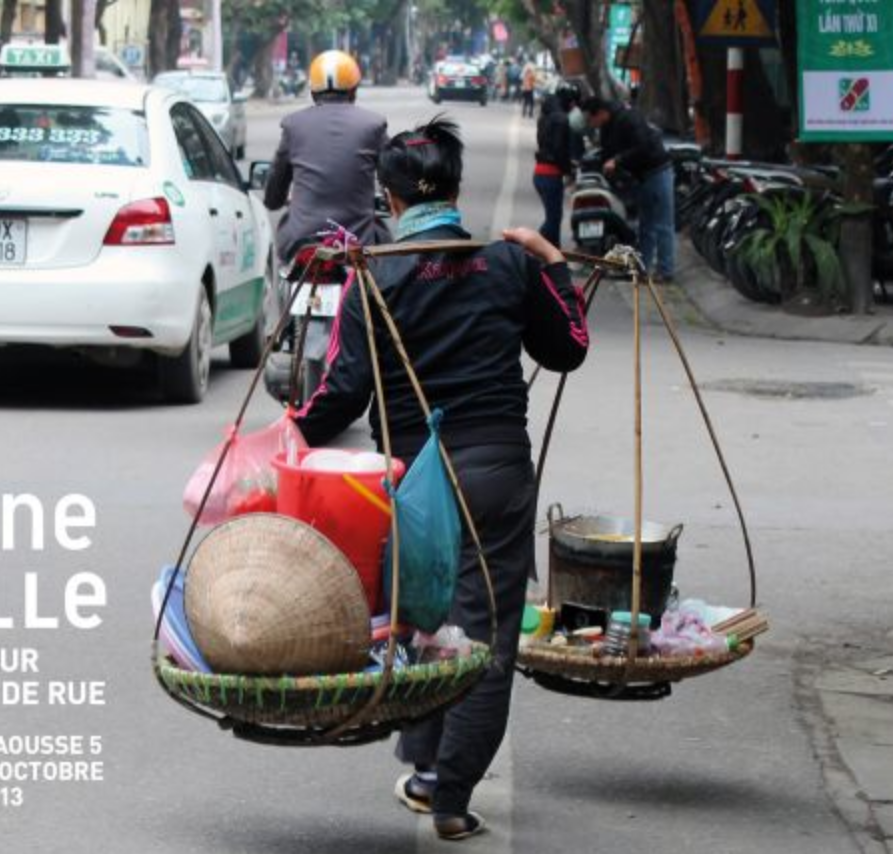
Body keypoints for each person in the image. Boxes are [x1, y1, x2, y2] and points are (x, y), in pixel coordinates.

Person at [294, 117, 590, 841]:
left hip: (413, 483)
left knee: (419, 617)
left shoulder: (376, 277)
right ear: (454, 190)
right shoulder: (506, 265)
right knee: (484, 638)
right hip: (494, 471)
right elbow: (570, 348)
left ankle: (428, 768)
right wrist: (551, 258)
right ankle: (446, 793)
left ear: (388, 201)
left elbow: (340, 395)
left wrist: (284, 435)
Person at [264, 50, 390, 262]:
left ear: (313, 93)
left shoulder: (293, 125)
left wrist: (276, 199)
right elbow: (395, 177)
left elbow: (274, 197)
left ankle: (287, 294)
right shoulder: (373, 124)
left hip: (301, 243)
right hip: (359, 243)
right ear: (354, 91)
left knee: (284, 252)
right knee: (388, 265)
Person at [582, 96, 676, 281]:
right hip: (640, 177)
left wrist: (618, 160)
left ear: (601, 113)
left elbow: (643, 147)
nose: (591, 124)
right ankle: (642, 268)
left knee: (663, 224)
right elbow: (607, 152)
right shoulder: (607, 126)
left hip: (657, 171)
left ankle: (665, 271)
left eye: (592, 119)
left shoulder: (628, 118)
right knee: (645, 225)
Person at [533, 82, 582, 247]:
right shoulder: (561, 119)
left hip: (540, 173)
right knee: (553, 220)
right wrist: (568, 170)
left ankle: (552, 256)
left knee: (553, 218)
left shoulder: (545, 117)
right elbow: (559, 150)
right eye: (573, 102)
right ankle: (533, 246)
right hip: (551, 175)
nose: (573, 106)